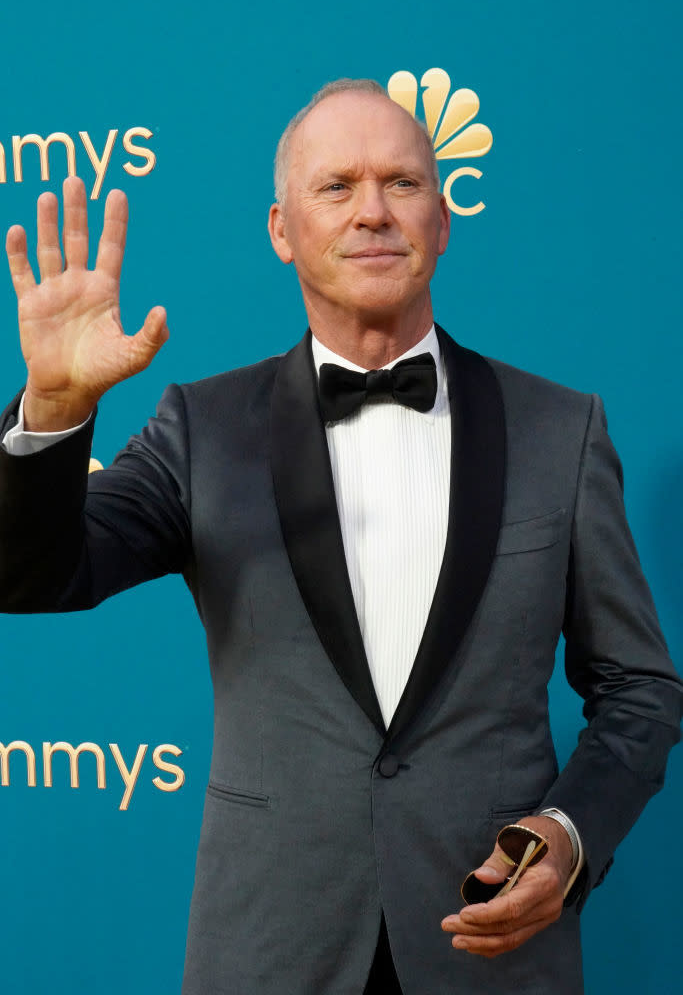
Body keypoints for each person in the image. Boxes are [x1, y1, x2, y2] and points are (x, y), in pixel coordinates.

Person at [0, 78, 681, 995]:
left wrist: (567, 832)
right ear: (282, 230)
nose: (373, 212)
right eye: (337, 187)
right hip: (272, 949)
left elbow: (637, 687)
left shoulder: (562, 430)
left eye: (402, 183)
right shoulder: (202, 429)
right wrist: (51, 410)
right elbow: (37, 575)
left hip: (492, 952)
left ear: (442, 220)